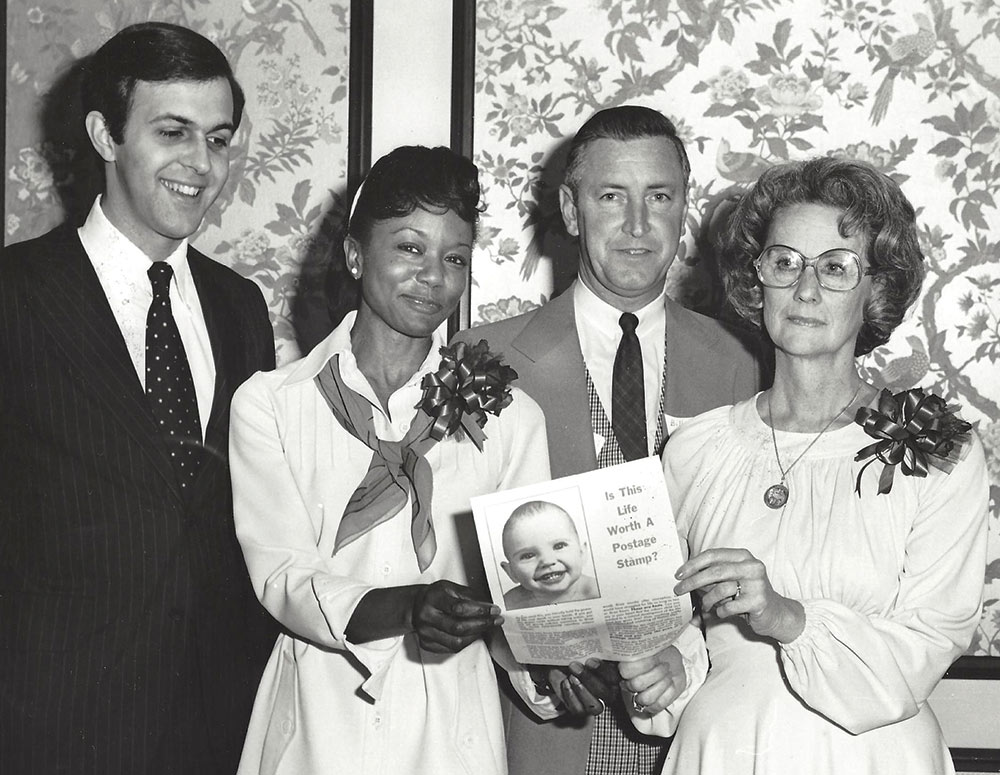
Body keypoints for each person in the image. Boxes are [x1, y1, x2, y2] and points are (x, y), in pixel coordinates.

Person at [621, 157, 990, 774]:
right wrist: (668, 670)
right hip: (723, 752)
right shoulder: (695, 449)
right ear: (757, 278)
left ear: (876, 289)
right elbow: (679, 630)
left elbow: (928, 643)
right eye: (785, 262)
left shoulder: (938, 453)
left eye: (836, 267)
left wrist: (785, 616)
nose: (806, 289)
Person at [455, 105, 766, 775]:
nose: (637, 225)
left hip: (701, 729)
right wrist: (533, 659)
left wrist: (684, 661)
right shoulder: (483, 359)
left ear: (683, 209)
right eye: (611, 197)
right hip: (551, 732)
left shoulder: (742, 362)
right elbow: (459, 575)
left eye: (659, 197)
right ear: (571, 211)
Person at [0, 22, 276, 774]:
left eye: (218, 139)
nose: (202, 164)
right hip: (51, 726)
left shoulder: (240, 307)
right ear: (105, 135)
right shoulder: (16, 294)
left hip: (217, 724)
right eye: (172, 132)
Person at [229, 145, 555, 775]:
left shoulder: (510, 418)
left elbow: (517, 598)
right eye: (410, 247)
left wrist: (550, 663)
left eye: (454, 258)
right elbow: (282, 575)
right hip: (317, 720)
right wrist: (406, 607)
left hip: (450, 731)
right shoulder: (272, 404)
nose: (434, 276)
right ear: (355, 255)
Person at [501, 500, 600, 610]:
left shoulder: (597, 590)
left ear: (582, 553)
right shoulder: (509, 604)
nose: (547, 561)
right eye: (528, 556)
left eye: (559, 546)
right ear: (511, 572)